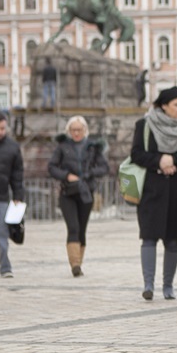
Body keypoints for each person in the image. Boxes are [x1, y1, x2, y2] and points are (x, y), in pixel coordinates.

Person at [131, 86, 177, 301]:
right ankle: (148, 285)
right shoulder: (145, 125)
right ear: (164, 106)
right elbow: (137, 154)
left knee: (172, 241)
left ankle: (168, 286)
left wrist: (175, 161)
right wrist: (160, 161)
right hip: (152, 190)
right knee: (148, 238)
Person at [48, 116, 110, 277]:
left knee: (82, 229)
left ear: (85, 130)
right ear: (69, 131)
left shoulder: (92, 147)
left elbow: (104, 167)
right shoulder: (63, 147)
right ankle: (74, 264)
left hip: (85, 192)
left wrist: (90, 173)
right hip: (67, 192)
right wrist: (66, 175)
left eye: (79, 130)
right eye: (73, 130)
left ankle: (79, 263)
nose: (76, 133)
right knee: (73, 227)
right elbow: (52, 167)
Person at [0, 108, 24, 278]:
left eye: (2, 128)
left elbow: (17, 175)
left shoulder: (13, 147)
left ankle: (5, 267)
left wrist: (18, 196)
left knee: (2, 236)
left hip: (0, 197)